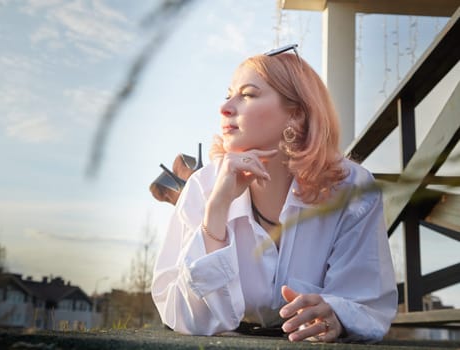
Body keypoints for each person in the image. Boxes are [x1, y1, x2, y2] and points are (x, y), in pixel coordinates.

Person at [151, 44, 398, 343]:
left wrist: (337, 315)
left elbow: (367, 304)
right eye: (228, 94)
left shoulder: (352, 190)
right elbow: (179, 313)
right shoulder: (204, 186)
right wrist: (216, 210)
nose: (225, 107)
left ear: (295, 114)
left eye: (248, 95)